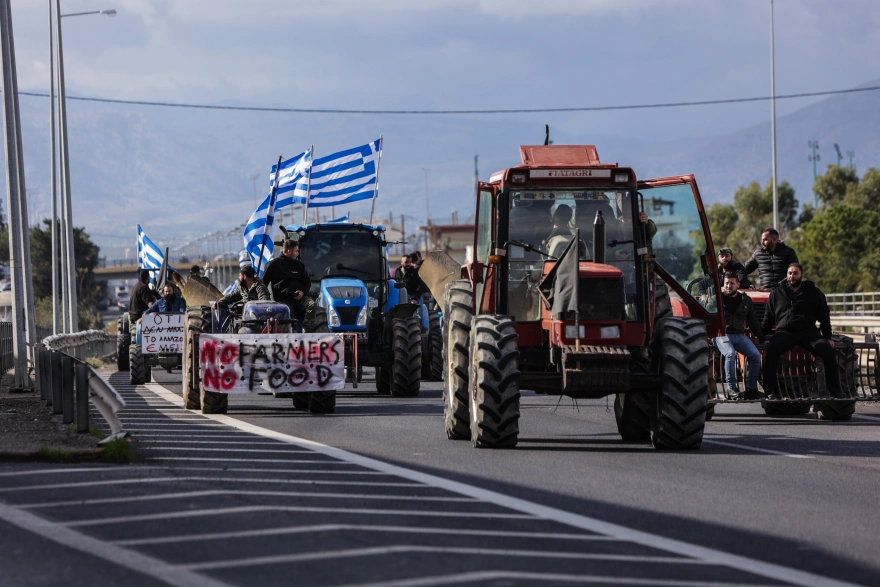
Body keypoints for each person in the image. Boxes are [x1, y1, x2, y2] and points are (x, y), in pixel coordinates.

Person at [761, 263, 844, 400]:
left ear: (802, 276)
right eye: (789, 273)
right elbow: (768, 318)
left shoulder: (814, 293)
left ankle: (835, 391)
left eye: (795, 273)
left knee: (828, 351)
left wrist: (828, 337)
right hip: (785, 332)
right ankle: (770, 391)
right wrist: (761, 335)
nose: (792, 276)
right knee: (772, 350)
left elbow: (824, 316)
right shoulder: (776, 293)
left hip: (808, 333)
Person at [715, 272, 764, 400]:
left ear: (738, 284)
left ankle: (751, 389)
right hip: (722, 335)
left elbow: (752, 320)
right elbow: (707, 316)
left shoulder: (745, 300)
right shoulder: (717, 298)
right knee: (730, 354)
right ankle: (732, 388)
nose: (728, 286)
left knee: (755, 355)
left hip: (738, 335)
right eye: (726, 283)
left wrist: (760, 336)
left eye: (731, 283)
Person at [262, 240, 316, 330]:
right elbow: (263, 284)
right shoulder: (273, 265)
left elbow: (307, 282)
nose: (297, 254)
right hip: (283, 300)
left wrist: (302, 292)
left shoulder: (299, 265)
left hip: (299, 297)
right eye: (296, 251)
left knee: (311, 304)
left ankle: (307, 330)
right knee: (288, 316)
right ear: (289, 251)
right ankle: (291, 332)